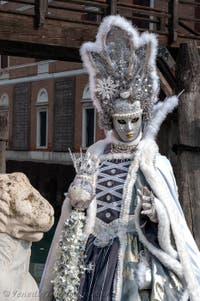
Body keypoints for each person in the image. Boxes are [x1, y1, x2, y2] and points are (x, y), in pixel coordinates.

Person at [39, 16, 200, 301]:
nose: (128, 129)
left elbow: (172, 217)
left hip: (133, 257)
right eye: (121, 122)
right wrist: (78, 202)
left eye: (134, 120)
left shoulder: (155, 163)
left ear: (143, 117)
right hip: (92, 253)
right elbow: (77, 205)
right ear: (110, 121)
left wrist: (156, 212)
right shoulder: (95, 155)